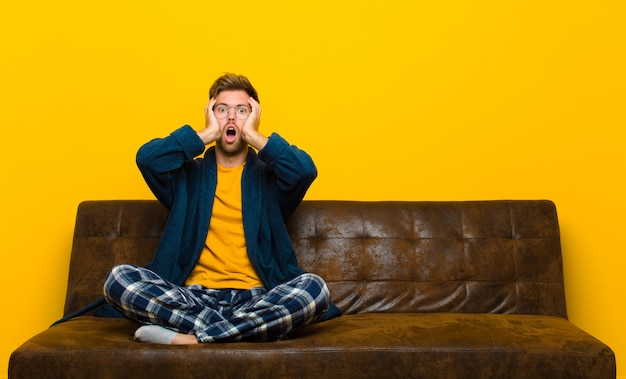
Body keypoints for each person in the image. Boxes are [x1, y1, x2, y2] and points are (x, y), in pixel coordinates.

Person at [101, 73, 340, 344]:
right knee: (118, 279)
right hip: (192, 298)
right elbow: (147, 159)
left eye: (242, 110)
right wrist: (205, 134)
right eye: (222, 109)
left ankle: (190, 338)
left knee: (315, 290)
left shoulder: (270, 178)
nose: (231, 118)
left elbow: (304, 171)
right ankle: (245, 331)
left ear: (254, 116)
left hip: (257, 298)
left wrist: (255, 136)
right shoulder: (187, 177)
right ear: (210, 114)